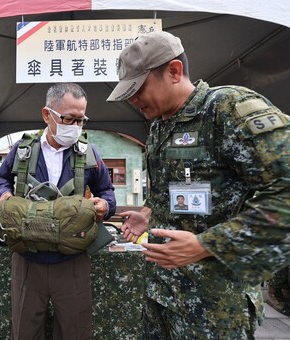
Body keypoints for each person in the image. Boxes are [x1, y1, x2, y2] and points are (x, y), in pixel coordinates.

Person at [107, 31, 290, 338]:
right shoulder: (161, 126)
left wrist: (206, 245)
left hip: (214, 304)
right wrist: (148, 214)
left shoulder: (226, 109)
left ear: (174, 71)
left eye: (138, 89)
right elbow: (174, 187)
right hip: (162, 293)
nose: (132, 99)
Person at [0, 82, 116, 339]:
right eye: (69, 118)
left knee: (75, 331)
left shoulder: (89, 153)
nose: (75, 126)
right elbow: (2, 177)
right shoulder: (22, 151)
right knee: (25, 331)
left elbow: (107, 192)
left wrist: (104, 206)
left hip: (71, 260)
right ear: (47, 115)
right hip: (28, 259)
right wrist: (4, 193)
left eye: (81, 120)